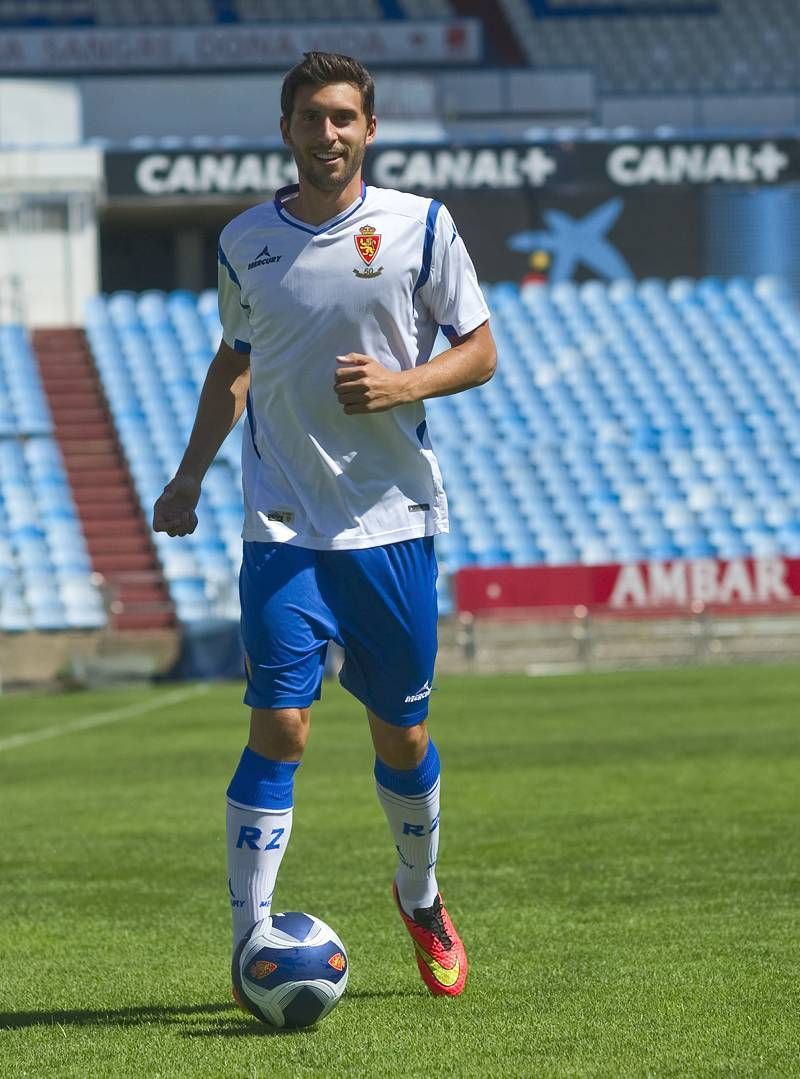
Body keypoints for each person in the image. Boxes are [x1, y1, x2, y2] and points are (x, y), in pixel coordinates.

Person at [152, 51, 496, 1000]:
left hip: (390, 525)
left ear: (369, 130)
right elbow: (235, 362)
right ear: (287, 128)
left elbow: (481, 350)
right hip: (282, 527)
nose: (329, 133)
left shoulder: (421, 227)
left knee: (403, 739)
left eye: (345, 117)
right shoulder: (244, 240)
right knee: (281, 727)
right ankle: (247, 942)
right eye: (312, 117)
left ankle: (420, 896)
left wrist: (403, 384)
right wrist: (188, 477)